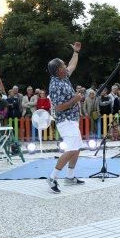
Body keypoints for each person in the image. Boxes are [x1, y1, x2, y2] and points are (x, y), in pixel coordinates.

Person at [46, 42, 85, 193]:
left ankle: (70, 177)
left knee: (76, 149)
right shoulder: (55, 85)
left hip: (72, 120)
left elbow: (73, 66)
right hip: (65, 122)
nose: (66, 66)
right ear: (58, 70)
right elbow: (58, 107)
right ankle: (52, 178)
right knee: (71, 149)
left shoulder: (63, 77)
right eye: (63, 65)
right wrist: (74, 100)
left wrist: (76, 52)